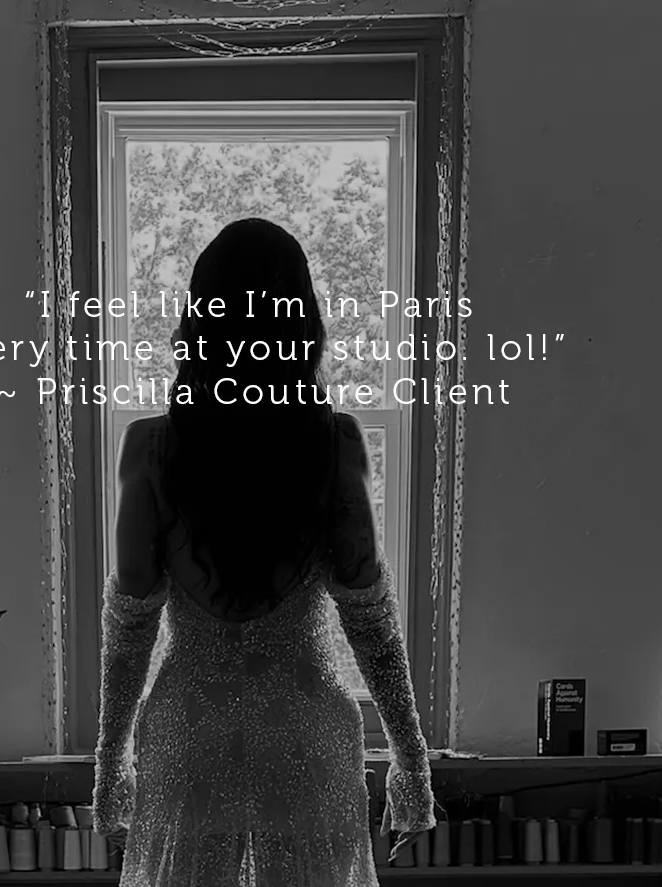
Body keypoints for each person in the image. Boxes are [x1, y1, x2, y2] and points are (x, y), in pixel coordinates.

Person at [91, 217, 436, 885]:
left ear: (200, 320)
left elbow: (130, 628)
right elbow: (371, 625)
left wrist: (111, 765)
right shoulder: (333, 445)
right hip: (303, 733)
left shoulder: (152, 449)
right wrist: (412, 762)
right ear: (301, 323)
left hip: (192, 734)